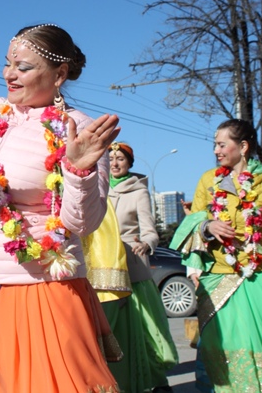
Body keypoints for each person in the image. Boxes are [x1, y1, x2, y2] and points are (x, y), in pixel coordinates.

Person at [0, 24, 121, 392]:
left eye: (23, 67)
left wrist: (78, 171)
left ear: (59, 75)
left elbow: (83, 223)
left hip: (46, 291)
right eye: (7, 63)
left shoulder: (79, 129)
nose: (9, 74)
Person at [172, 119, 262, 392]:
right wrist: (208, 227)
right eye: (215, 145)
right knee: (223, 347)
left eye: (222, 145)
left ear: (243, 146)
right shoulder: (208, 180)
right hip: (219, 274)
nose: (216, 151)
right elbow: (192, 222)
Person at [106, 141, 177, 392]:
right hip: (104, 266)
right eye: (111, 158)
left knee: (144, 327)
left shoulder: (138, 191)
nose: (115, 163)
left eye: (120, 159)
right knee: (111, 328)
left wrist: (146, 244)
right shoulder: (98, 186)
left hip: (132, 266)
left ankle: (155, 380)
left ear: (129, 163)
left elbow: (149, 231)